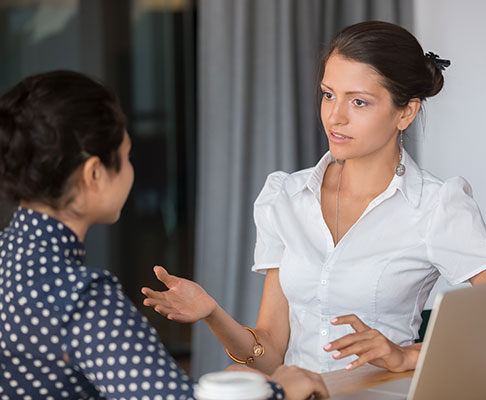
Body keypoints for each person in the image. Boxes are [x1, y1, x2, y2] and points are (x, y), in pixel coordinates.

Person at [142, 20, 486, 375]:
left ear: (406, 112)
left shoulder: (436, 206)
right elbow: (270, 352)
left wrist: (406, 356)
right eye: (329, 95)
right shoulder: (286, 196)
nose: (335, 117)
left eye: (359, 102)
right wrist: (212, 314)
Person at [0, 70, 328, 400]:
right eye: (126, 157)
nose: (131, 169)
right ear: (94, 174)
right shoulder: (80, 299)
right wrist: (277, 390)